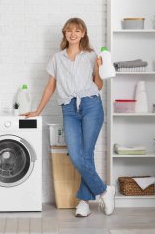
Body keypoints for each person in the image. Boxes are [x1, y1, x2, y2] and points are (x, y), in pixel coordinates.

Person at [24, 18, 115, 217]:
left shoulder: (91, 56)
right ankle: (104, 190)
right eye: (69, 30)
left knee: (86, 153)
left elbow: (98, 86)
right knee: (76, 155)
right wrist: (38, 110)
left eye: (77, 30)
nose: (73, 34)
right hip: (69, 108)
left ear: (83, 33)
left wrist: (98, 69)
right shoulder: (57, 58)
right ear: (64, 34)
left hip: (91, 105)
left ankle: (83, 201)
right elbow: (51, 86)